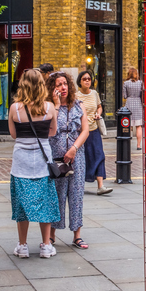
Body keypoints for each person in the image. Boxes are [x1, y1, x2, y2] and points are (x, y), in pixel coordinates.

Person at [8, 69, 60, 258]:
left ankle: (22, 246)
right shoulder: (49, 107)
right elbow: (53, 132)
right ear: (41, 85)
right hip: (42, 160)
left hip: (21, 161)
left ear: (23, 84)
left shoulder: (15, 108)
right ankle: (46, 245)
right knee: (45, 201)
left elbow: (14, 135)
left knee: (22, 203)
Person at [47, 72, 89, 249]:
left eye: (65, 84)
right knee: (56, 195)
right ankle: (51, 235)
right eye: (58, 85)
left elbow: (85, 130)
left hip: (76, 157)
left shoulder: (78, 105)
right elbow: (49, 129)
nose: (63, 88)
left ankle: (77, 235)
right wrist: (56, 105)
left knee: (76, 194)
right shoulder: (49, 107)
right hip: (56, 157)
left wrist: (74, 149)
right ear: (52, 89)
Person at [76, 71, 112, 196]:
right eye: (84, 79)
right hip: (81, 133)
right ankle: (79, 184)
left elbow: (99, 106)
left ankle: (100, 186)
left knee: (99, 155)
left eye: (89, 79)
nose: (87, 81)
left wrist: (99, 113)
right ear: (80, 81)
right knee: (82, 158)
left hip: (94, 130)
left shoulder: (95, 94)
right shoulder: (76, 96)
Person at [122, 67, 144, 150]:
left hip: (129, 104)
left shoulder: (126, 83)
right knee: (138, 126)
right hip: (138, 104)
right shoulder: (141, 83)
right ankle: (138, 145)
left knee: (127, 126)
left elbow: (125, 96)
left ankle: (127, 144)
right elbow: (143, 94)